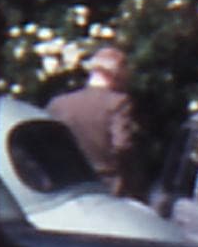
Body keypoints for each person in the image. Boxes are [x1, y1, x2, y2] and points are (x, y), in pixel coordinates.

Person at [48, 45, 139, 196]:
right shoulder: (117, 102)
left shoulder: (58, 104)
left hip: (65, 183)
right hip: (106, 184)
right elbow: (122, 145)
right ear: (117, 75)